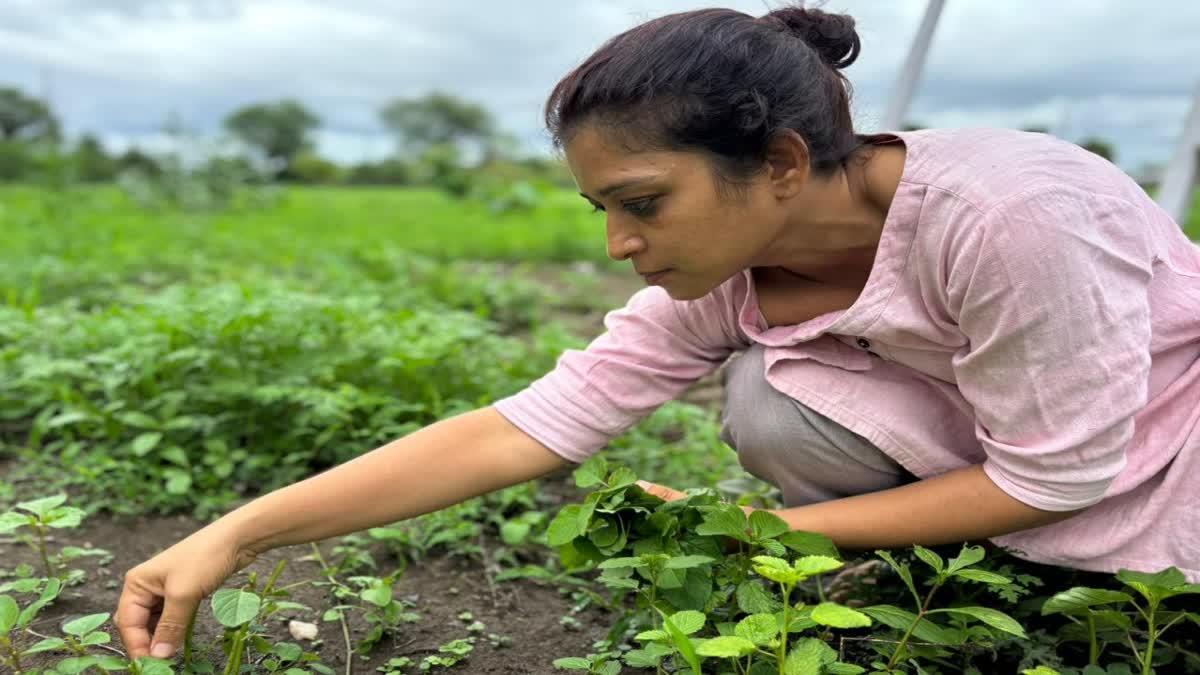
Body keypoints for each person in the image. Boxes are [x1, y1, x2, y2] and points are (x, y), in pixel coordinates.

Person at [116, 4, 1200, 661]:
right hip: (1027, 452)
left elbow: (1060, 473)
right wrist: (238, 532)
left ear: (779, 161)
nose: (620, 245)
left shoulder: (1014, 213)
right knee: (775, 400)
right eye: (604, 212)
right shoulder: (730, 268)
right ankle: (979, 567)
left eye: (642, 201)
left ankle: (1052, 578)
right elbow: (526, 428)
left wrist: (769, 535)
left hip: (1164, 453)